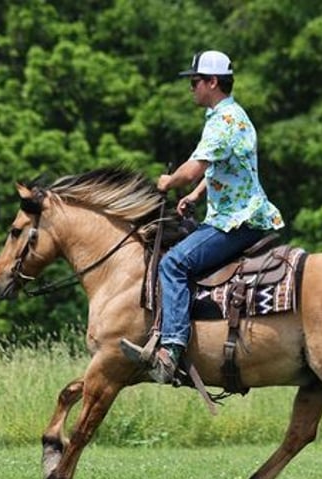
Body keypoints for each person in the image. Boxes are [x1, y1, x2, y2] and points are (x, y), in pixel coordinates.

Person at [121, 50, 284, 383]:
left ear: (212, 82)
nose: (191, 88)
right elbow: (224, 168)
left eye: (195, 81)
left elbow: (194, 168)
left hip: (236, 221)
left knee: (173, 264)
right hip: (239, 215)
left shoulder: (223, 122)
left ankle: (171, 349)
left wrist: (169, 182)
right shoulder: (231, 116)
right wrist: (194, 196)